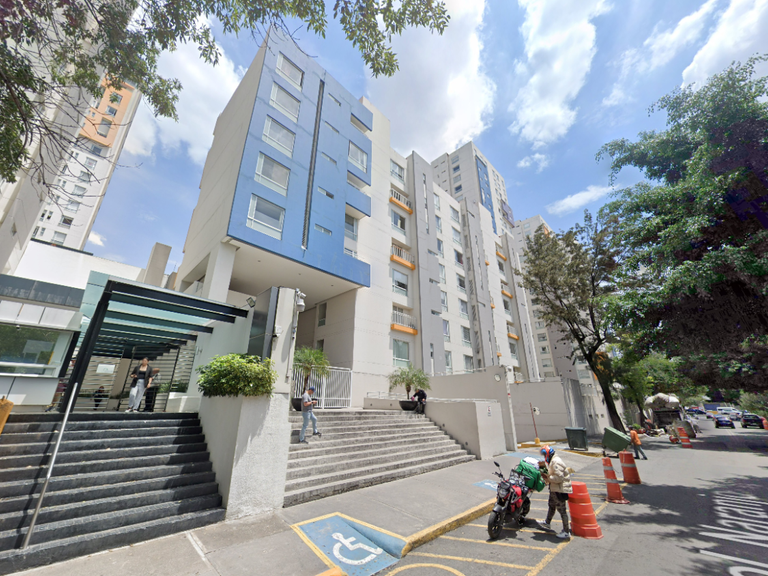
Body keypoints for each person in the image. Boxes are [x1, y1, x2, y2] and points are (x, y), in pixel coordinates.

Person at [538, 445, 572, 539]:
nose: (544, 457)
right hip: (555, 488)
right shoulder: (553, 461)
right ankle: (547, 522)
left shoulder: (556, 462)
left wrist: (548, 477)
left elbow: (559, 478)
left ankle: (566, 531)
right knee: (551, 505)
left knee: (562, 510)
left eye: (544, 454)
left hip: (559, 490)